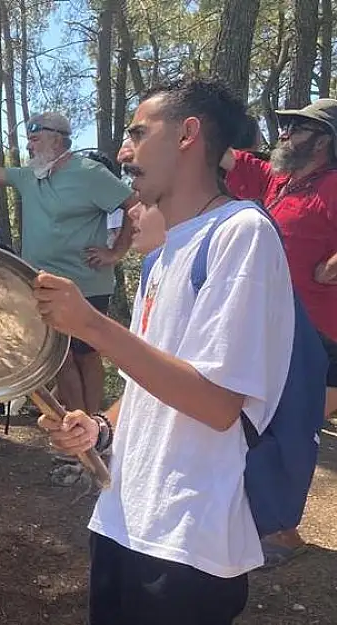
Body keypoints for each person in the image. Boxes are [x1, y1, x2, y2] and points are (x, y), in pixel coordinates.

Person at [36, 78, 297, 625]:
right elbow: (150, 386)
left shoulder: (242, 234)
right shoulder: (164, 255)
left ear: (188, 134)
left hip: (188, 542)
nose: (123, 152)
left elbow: (219, 403)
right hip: (122, 518)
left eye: (136, 133)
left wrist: (93, 325)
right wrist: (101, 428)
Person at [0, 118, 137, 416]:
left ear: (57, 140)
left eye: (35, 140)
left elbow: (133, 205)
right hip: (43, 283)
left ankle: (96, 427)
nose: (29, 146)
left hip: (86, 283)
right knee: (61, 358)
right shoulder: (31, 176)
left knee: (86, 354)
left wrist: (115, 252)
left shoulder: (89, 173)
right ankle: (78, 428)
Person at [221, 98, 337, 565]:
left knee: (293, 428)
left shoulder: (333, 187)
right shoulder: (278, 181)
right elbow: (226, 156)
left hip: (317, 333)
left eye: (298, 127)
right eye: (285, 123)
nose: (284, 132)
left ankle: (284, 532)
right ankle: (268, 519)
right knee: (270, 423)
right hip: (275, 328)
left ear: (325, 141)